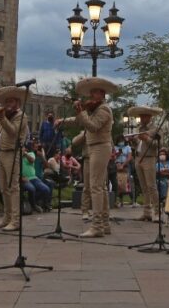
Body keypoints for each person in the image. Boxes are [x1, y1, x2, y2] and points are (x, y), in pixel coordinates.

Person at [56, 77, 115, 238]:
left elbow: (92, 126)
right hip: (96, 148)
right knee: (100, 188)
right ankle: (104, 224)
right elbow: (78, 121)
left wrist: (81, 112)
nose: (90, 96)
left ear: (102, 94)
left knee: (96, 187)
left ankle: (97, 226)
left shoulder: (103, 110)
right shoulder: (94, 109)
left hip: (100, 147)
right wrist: (63, 121)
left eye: (94, 92)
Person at [0, 86, 28, 231]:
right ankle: (7, 217)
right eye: (6, 101)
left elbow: (12, 131)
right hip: (2, 153)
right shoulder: (7, 116)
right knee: (3, 187)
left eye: (11, 101)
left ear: (18, 103)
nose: (8, 104)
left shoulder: (21, 116)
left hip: (13, 153)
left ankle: (15, 220)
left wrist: (2, 117)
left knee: (13, 187)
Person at [127, 106, 162, 221]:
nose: (142, 118)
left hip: (149, 158)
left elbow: (158, 144)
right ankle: (147, 212)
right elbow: (138, 145)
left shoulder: (155, 128)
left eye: (144, 116)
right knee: (144, 187)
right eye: (141, 116)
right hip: (138, 158)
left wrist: (146, 138)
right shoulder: (138, 128)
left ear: (149, 117)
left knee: (152, 186)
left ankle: (157, 213)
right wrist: (133, 140)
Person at [22, 143, 51, 212]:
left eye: (37, 148)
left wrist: (25, 154)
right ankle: (33, 204)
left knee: (46, 189)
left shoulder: (31, 154)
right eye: (35, 147)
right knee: (32, 189)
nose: (36, 149)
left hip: (34, 178)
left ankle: (32, 202)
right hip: (24, 179)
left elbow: (32, 160)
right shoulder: (17, 157)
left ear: (25, 149)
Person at [114, 137, 133, 207]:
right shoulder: (115, 147)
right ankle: (119, 200)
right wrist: (118, 154)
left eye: (122, 141)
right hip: (117, 165)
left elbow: (129, 157)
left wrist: (123, 165)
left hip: (126, 166)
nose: (121, 142)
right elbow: (113, 156)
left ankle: (132, 200)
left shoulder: (127, 147)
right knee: (119, 183)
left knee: (127, 182)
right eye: (119, 141)